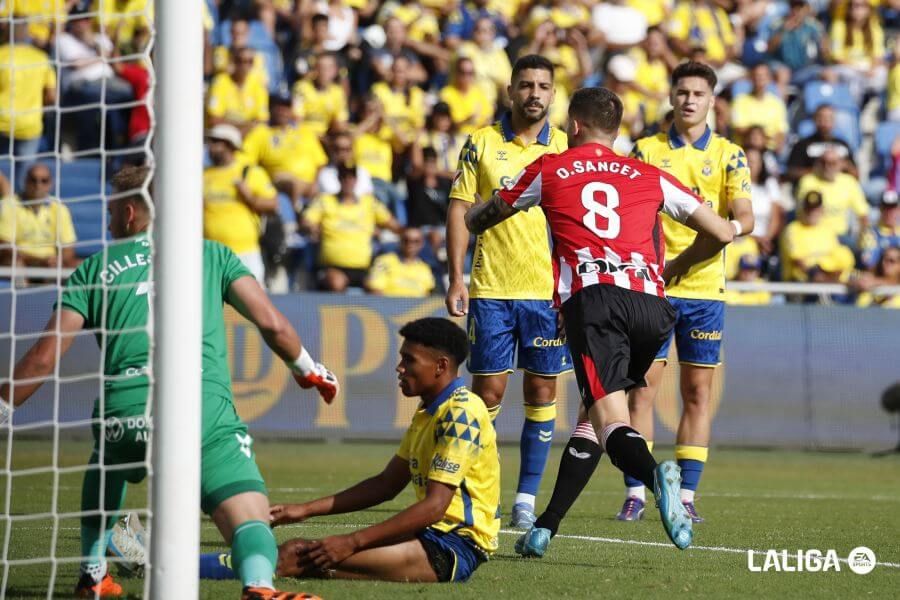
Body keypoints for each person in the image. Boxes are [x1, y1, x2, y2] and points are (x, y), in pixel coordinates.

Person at [0, 165, 338, 599]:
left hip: (125, 414)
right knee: (251, 513)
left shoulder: (94, 269)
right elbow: (272, 324)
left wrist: (4, 409)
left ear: (127, 214)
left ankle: (92, 573)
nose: (106, 221)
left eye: (109, 212)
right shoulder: (212, 255)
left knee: (107, 459)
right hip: (201, 414)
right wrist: (308, 370)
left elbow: (44, 356)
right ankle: (258, 585)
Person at [465, 86, 738, 554]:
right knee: (593, 417)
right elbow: (723, 231)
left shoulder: (551, 167)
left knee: (612, 420)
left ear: (573, 126)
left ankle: (656, 477)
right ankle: (545, 527)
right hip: (652, 306)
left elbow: (490, 215)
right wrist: (676, 265)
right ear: (616, 130)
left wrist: (473, 215)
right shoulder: (648, 173)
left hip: (594, 302)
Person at [525, 62, 753, 540]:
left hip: (654, 288)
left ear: (713, 100)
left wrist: (677, 264)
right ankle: (558, 521)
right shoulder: (644, 154)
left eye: (698, 92)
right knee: (611, 404)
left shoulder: (729, 154)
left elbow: (739, 222)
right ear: (670, 95)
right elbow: (723, 228)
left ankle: (668, 487)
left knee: (635, 405)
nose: (689, 100)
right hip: (650, 293)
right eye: (682, 91)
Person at [199, 318, 499, 583]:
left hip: (453, 546)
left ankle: (177, 571)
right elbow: (386, 485)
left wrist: (352, 541)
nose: (400, 367)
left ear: (441, 366)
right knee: (302, 552)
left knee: (296, 555)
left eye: (409, 360)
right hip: (430, 536)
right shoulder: (428, 412)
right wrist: (304, 510)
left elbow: (434, 506)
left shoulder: (462, 412)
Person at [445, 54, 568, 530]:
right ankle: (483, 489)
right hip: (492, 287)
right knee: (488, 393)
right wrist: (457, 276)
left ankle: (524, 499)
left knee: (541, 391)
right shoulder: (481, 143)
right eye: (526, 85)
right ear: (511, 91)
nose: (534, 93)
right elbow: (459, 209)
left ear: (553, 94)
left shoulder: (565, 147)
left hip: (547, 292)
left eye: (543, 86)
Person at [203, 124, 278, 285]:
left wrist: (249, 197)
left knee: (250, 306)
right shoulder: (203, 175)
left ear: (230, 145)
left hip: (245, 252)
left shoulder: (249, 172)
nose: (210, 146)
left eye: (216, 142)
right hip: (212, 254)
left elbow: (273, 204)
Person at [365, 227, 436, 298]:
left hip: (418, 308)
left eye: (416, 241)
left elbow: (427, 295)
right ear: (400, 241)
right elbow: (375, 290)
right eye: (406, 240)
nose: (410, 244)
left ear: (422, 244)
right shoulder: (384, 261)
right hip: (388, 306)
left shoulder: (425, 268)